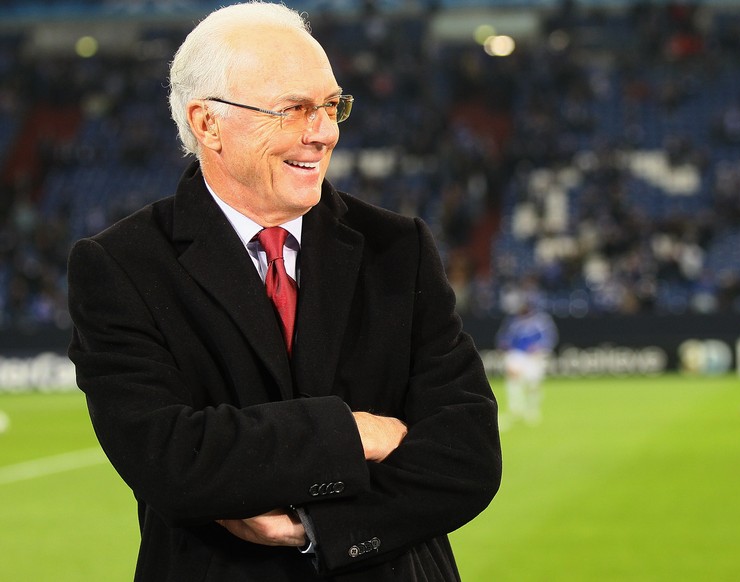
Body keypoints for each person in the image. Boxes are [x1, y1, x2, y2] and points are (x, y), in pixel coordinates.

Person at [66, 3, 501, 580]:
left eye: (330, 105)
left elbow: (467, 453)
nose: (323, 133)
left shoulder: (398, 248)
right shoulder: (120, 266)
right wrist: (353, 432)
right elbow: (174, 461)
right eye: (293, 110)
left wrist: (322, 529)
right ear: (207, 123)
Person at [495, 288, 558, 428]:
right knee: (513, 380)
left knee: (533, 384)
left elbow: (550, 337)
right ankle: (516, 409)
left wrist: (540, 347)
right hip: (517, 354)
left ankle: (532, 410)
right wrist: (504, 348)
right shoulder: (513, 321)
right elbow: (504, 338)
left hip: (535, 356)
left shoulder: (541, 320)